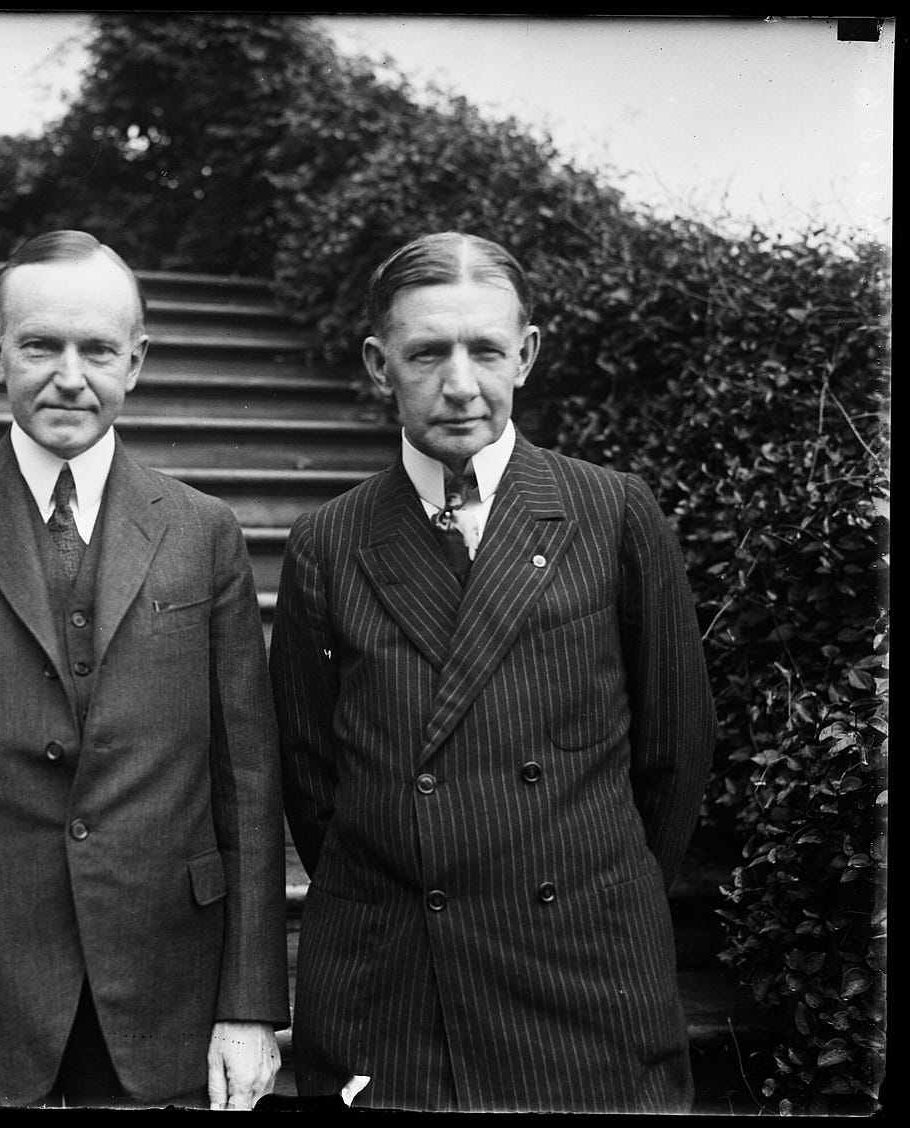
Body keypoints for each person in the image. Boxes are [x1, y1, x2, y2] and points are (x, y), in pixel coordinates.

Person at [0, 230, 290, 1109]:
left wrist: (249, 1006)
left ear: (138, 360)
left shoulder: (204, 532)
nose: (70, 376)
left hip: (166, 992)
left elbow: (249, 786)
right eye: (41, 345)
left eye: (99, 350)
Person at [269, 232, 716, 1113]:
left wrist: (592, 893)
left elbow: (674, 752)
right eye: (427, 353)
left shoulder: (611, 511)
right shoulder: (329, 542)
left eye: (485, 351)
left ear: (528, 354)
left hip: (586, 972)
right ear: (378, 364)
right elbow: (313, 782)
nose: (461, 384)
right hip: (397, 982)